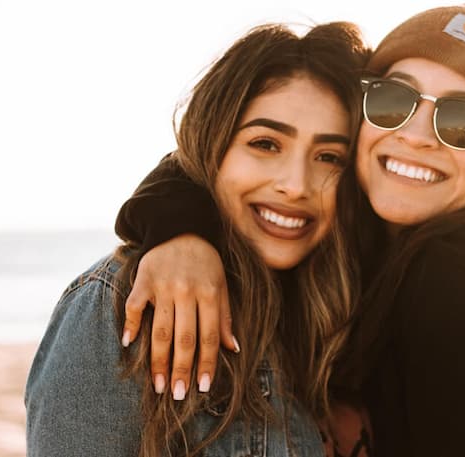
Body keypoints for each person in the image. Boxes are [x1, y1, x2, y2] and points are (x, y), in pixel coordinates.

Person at [113, 3, 465, 456]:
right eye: (392, 101)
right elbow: (217, 151)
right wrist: (182, 231)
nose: (415, 136)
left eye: (462, 121)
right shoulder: (377, 230)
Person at [24, 21, 370, 456]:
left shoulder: (347, 304)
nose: (296, 185)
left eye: (328, 157)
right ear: (213, 147)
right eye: (265, 144)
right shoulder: (121, 305)